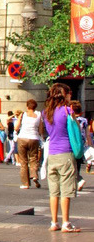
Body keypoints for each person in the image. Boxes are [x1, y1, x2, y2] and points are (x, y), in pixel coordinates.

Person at [41, 82, 79, 233]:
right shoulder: (67, 111)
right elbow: (75, 130)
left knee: (54, 191)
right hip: (66, 153)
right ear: (65, 95)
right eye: (69, 93)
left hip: (52, 155)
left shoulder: (45, 113)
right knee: (66, 191)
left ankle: (54, 222)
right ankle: (66, 223)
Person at [14, 98, 41, 190]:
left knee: (23, 161)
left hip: (23, 138)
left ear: (27, 106)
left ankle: (25, 184)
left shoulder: (23, 115)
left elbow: (16, 127)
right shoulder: (39, 115)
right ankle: (34, 175)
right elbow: (41, 130)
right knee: (33, 158)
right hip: (34, 138)